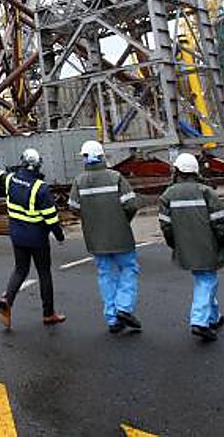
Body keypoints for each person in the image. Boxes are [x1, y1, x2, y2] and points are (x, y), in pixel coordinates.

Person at [68, 139, 141, 334]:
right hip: (120, 236)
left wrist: (90, 218)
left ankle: (112, 318)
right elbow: (131, 205)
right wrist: (121, 221)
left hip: (95, 238)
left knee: (105, 274)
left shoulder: (79, 181)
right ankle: (124, 307)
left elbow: (74, 208)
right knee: (129, 268)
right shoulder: (115, 177)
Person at [158, 152, 224, 342]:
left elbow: (166, 227)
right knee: (207, 280)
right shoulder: (206, 192)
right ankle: (199, 321)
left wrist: (175, 245)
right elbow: (220, 224)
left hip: (185, 247)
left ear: (177, 171)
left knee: (204, 279)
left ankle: (214, 316)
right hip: (207, 245)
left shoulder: (168, 195)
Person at [0, 148, 67, 328]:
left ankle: (7, 299)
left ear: (23, 163)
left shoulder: (11, 180)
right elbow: (51, 218)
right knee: (44, 272)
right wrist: (59, 236)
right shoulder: (41, 188)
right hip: (38, 239)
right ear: (38, 164)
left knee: (20, 270)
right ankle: (48, 313)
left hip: (17, 236)